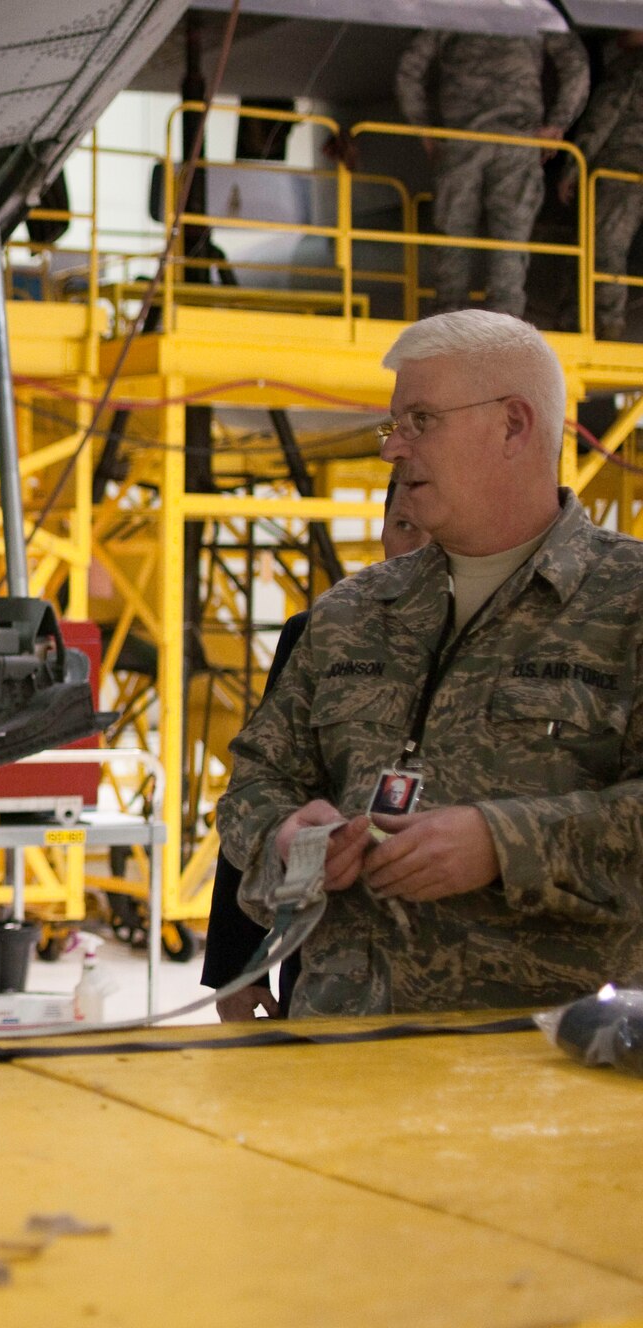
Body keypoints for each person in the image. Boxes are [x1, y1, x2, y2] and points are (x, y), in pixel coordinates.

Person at [218, 310, 643, 1016]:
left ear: (513, 425)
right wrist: (287, 838)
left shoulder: (628, 605)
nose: (394, 450)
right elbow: (255, 785)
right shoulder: (352, 613)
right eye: (395, 425)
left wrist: (502, 843)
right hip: (338, 1064)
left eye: (421, 420)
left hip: (543, 1079)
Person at [206, 481, 428, 1020]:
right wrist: (237, 965)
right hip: (329, 967)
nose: (418, 549)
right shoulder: (324, 632)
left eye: (435, 532)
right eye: (402, 527)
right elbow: (266, 786)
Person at [396, 29, 587, 319]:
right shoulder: (532, 11)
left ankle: (449, 318)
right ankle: (504, 321)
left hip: (461, 141)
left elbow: (409, 68)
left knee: (454, 234)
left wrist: (424, 129)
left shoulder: (455, 9)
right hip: (517, 143)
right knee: (510, 238)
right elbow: (576, 64)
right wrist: (557, 124)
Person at [559, 31, 643, 339]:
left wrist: (572, 168)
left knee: (605, 245)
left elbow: (603, 118)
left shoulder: (631, 67)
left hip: (622, 168)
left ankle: (607, 321)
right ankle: (582, 315)